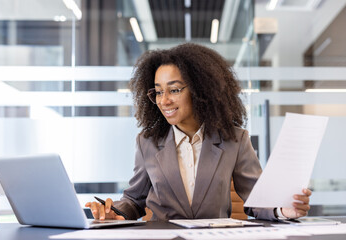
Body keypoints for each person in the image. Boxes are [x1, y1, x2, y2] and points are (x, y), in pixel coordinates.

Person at [85, 43, 311, 221]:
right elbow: (134, 200)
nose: (164, 101)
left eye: (174, 90)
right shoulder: (148, 142)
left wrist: (283, 210)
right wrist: (115, 212)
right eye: (158, 92)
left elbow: (257, 199)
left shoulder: (234, 139)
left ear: (200, 90)